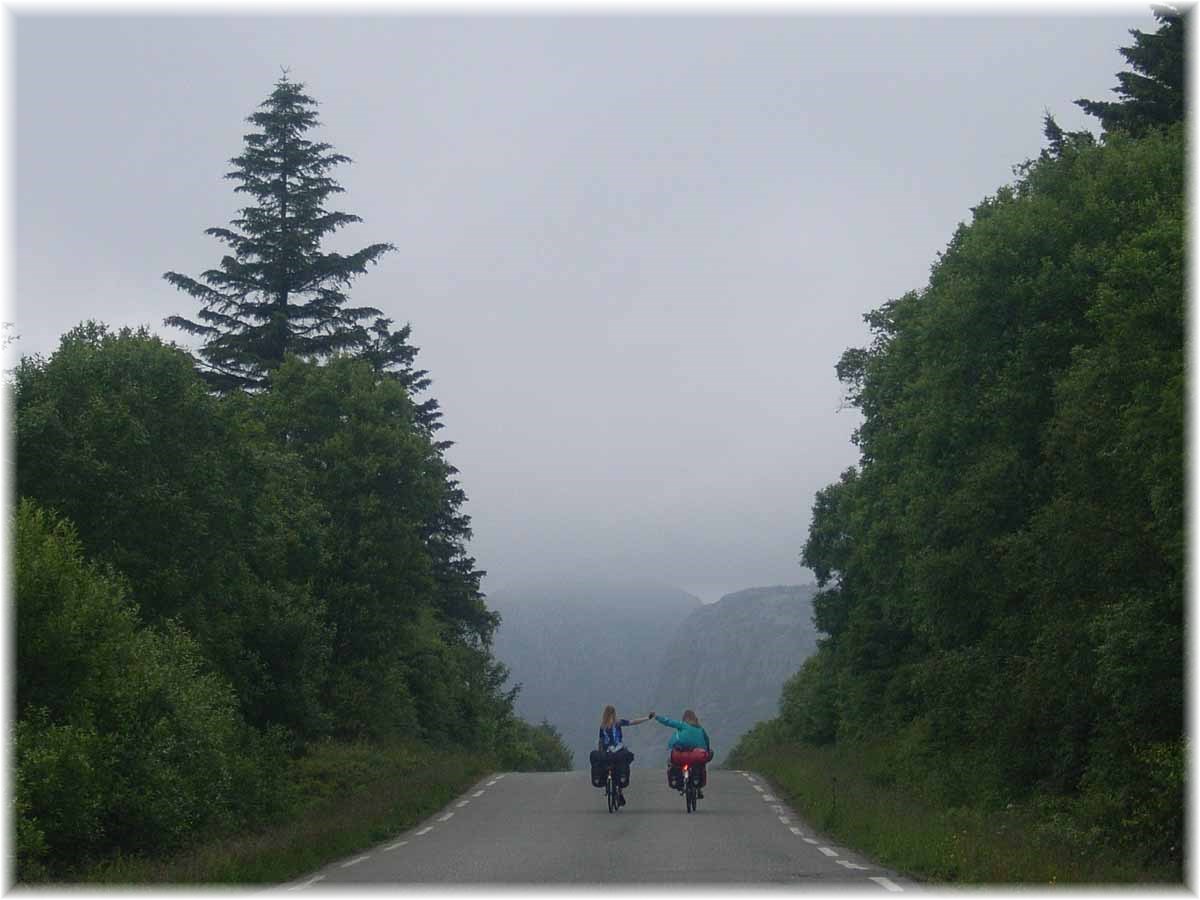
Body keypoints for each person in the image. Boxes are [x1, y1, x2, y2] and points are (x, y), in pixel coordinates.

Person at [589, 705, 652, 807]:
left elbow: (600, 741)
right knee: (621, 767)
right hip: (618, 752)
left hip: (605, 754)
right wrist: (647, 718)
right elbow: (633, 722)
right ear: (614, 713)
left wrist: (601, 752)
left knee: (604, 766)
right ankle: (620, 791)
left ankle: (606, 783)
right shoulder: (618, 723)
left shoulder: (602, 727)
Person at [651, 709, 712, 798]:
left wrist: (656, 717)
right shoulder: (701, 729)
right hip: (697, 757)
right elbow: (707, 742)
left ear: (684, 719)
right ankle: (698, 788)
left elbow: (668, 722)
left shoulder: (682, 725)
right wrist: (707, 751)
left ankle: (679, 784)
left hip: (680, 757)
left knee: (672, 763)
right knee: (701, 765)